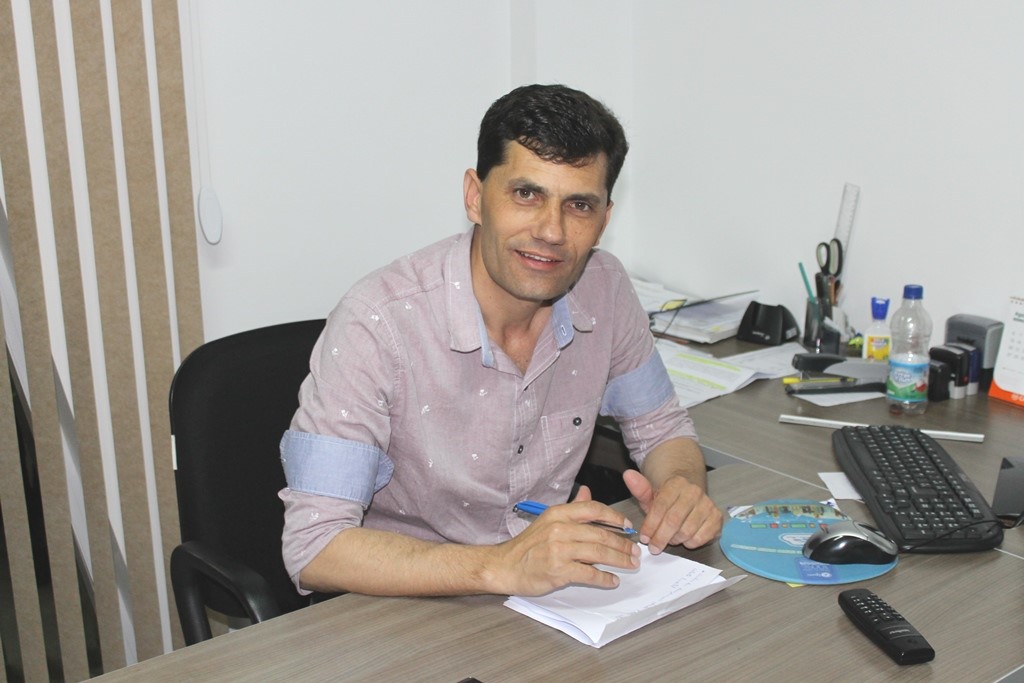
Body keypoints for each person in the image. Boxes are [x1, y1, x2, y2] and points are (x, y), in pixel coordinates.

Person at [278, 83, 723, 598]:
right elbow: (316, 547)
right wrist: (501, 566)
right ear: (475, 197)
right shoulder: (377, 321)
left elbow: (662, 428)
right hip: (409, 601)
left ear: (604, 220)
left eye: (579, 205)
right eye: (526, 194)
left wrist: (681, 488)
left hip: (549, 594)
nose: (551, 231)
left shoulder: (605, 288)